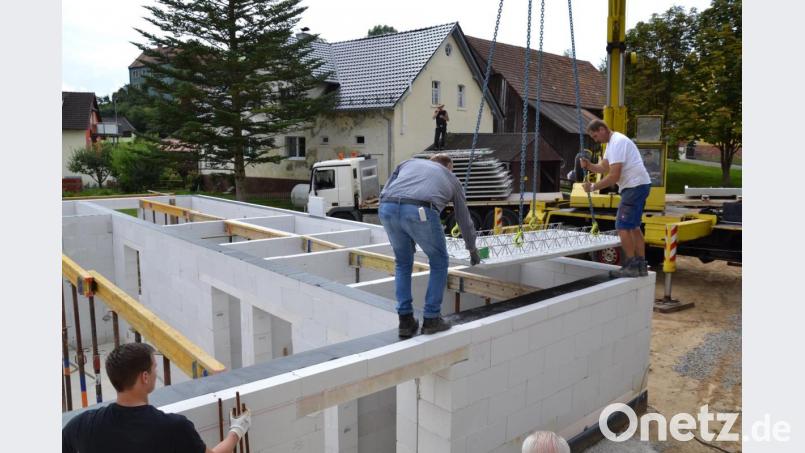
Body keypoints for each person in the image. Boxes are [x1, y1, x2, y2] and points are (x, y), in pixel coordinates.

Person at [63, 343, 251, 453]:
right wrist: (236, 431)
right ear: (144, 377)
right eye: (154, 367)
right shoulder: (174, 428)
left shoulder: (84, 425)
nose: (156, 372)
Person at [379, 153, 480, 337]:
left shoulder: (407, 162)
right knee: (439, 261)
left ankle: (405, 321)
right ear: (448, 167)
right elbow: (463, 219)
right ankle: (432, 318)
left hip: (387, 208)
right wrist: (472, 249)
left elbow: (385, 191)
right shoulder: (451, 178)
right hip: (420, 211)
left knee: (402, 262)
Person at [580, 119, 652, 278]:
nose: (595, 139)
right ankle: (640, 265)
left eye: (595, 135)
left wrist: (593, 187)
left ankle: (631, 265)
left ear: (602, 129)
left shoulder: (618, 142)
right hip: (638, 186)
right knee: (633, 227)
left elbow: (614, 176)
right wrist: (589, 165)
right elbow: (604, 168)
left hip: (634, 187)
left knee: (622, 226)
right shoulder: (612, 144)